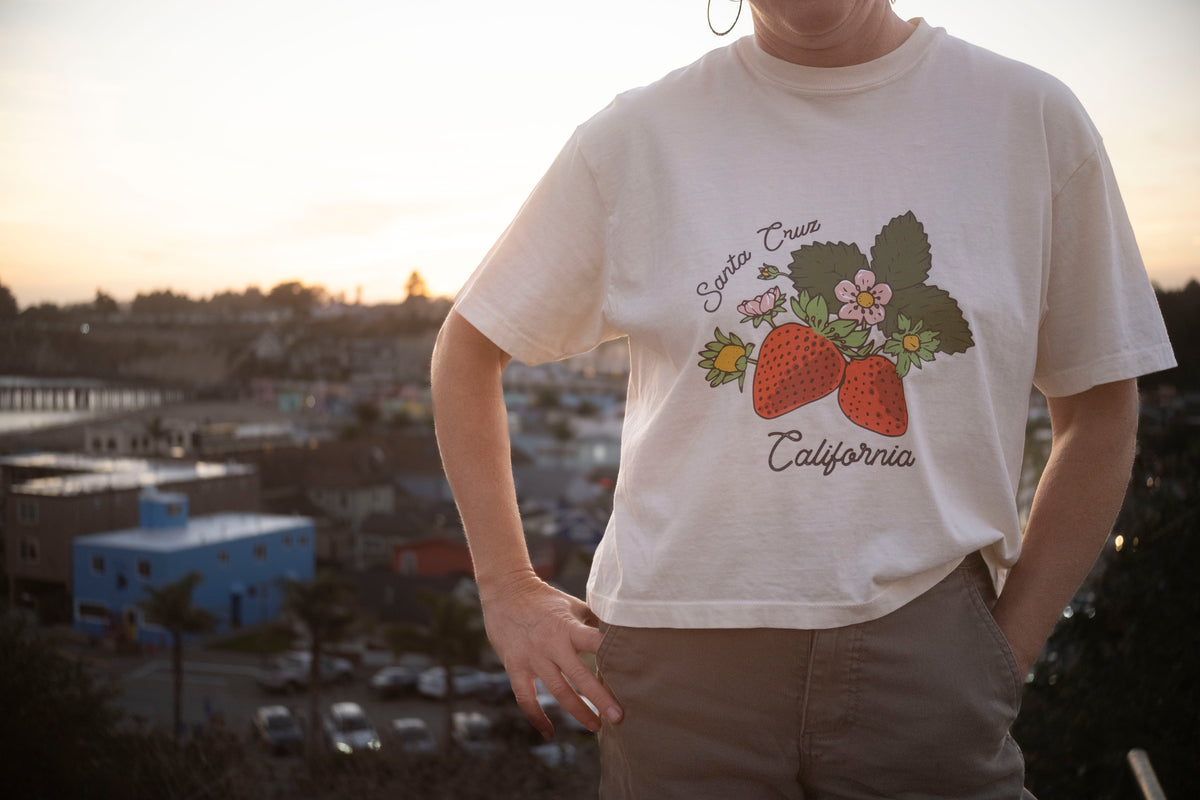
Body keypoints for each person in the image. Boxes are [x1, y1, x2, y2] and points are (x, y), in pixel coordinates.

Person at [431, 1, 1177, 797]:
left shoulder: (1028, 121)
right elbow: (468, 349)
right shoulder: (638, 138)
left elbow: (1101, 406)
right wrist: (505, 587)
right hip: (682, 672)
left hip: (926, 651)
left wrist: (1005, 653)